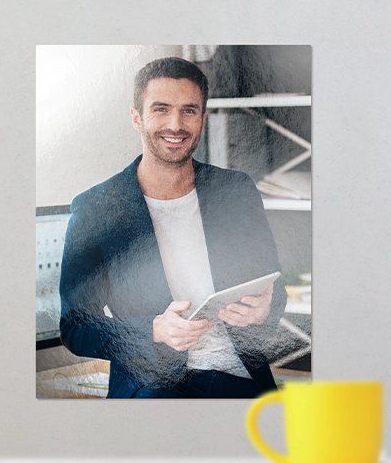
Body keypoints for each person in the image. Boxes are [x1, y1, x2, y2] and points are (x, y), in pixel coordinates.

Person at [59, 57, 287, 398]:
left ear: (203, 118)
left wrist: (263, 309)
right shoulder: (96, 209)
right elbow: (75, 327)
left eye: (189, 111)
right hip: (156, 385)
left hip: (241, 380)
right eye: (161, 109)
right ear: (137, 117)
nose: (176, 124)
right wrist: (153, 330)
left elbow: (274, 290)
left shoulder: (235, 191)